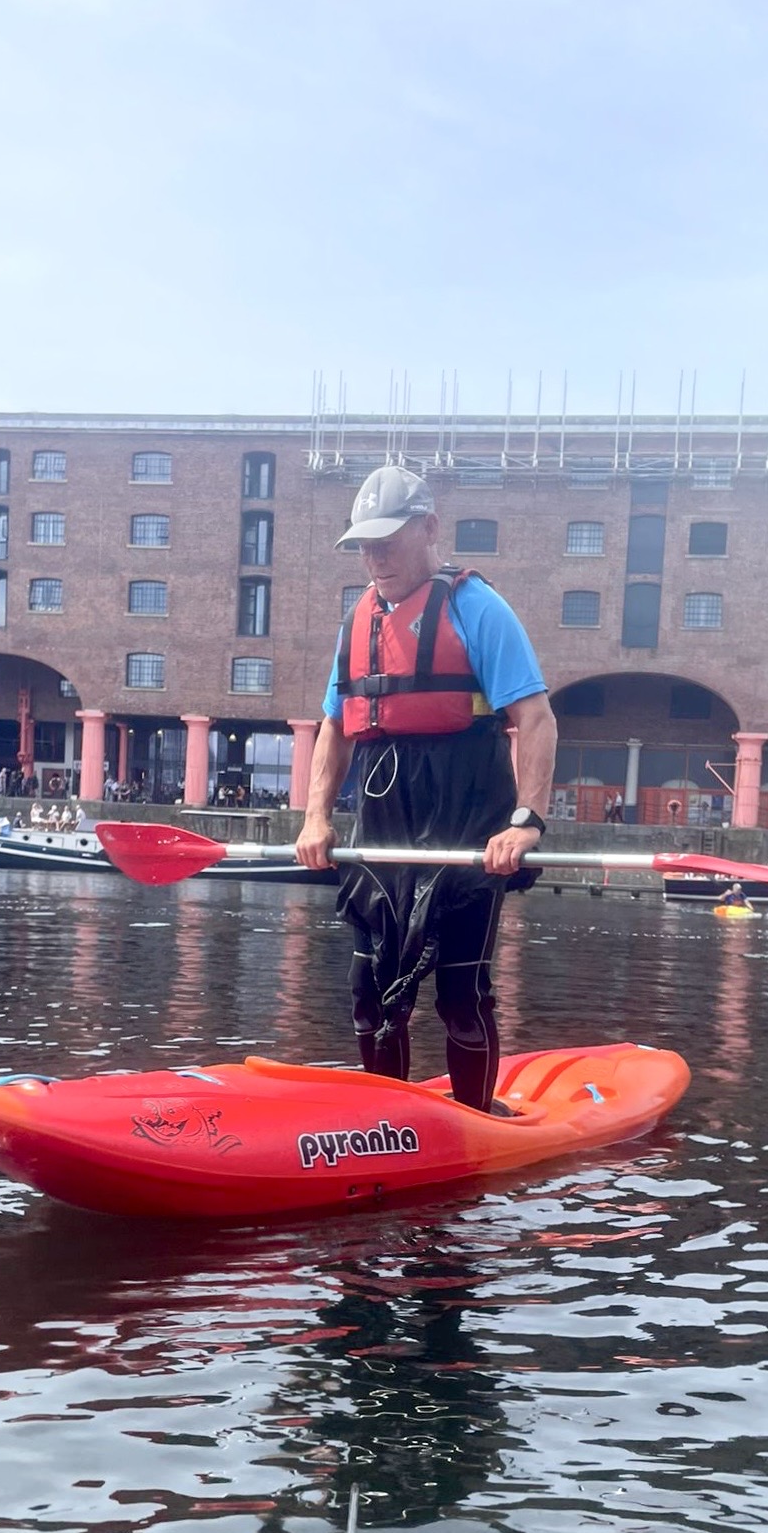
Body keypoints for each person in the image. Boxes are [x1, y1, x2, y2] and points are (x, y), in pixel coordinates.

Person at [295, 465, 557, 1114]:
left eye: (388, 539)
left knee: (459, 994)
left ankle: (475, 1124)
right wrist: (315, 818)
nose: (375, 556)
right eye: (364, 543)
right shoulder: (358, 622)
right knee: (371, 987)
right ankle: (389, 1123)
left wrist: (525, 822)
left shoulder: (477, 607)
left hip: (469, 814)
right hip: (385, 817)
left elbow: (536, 719)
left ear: (430, 529)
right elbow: (335, 727)